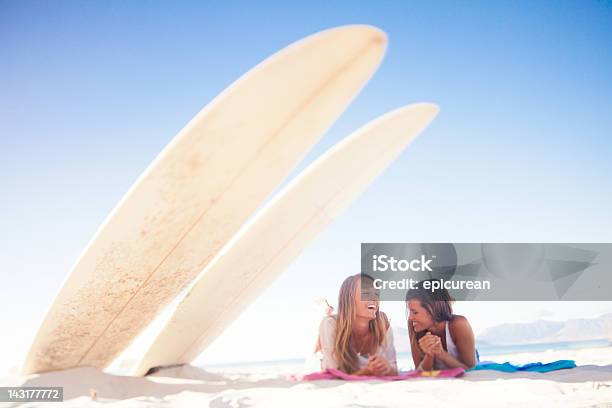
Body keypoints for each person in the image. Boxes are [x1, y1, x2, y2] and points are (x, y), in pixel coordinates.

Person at [313, 274, 398, 375]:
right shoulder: (330, 324)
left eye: (376, 294)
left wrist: (387, 368)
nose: (374, 299)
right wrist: (368, 372)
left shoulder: (382, 323)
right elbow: (334, 373)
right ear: (349, 299)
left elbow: (394, 369)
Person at [406, 279, 478, 370]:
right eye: (410, 312)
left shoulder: (459, 325)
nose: (410, 317)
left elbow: (471, 370)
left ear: (433, 309)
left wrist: (441, 353)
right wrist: (429, 356)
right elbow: (419, 371)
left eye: (415, 312)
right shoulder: (415, 327)